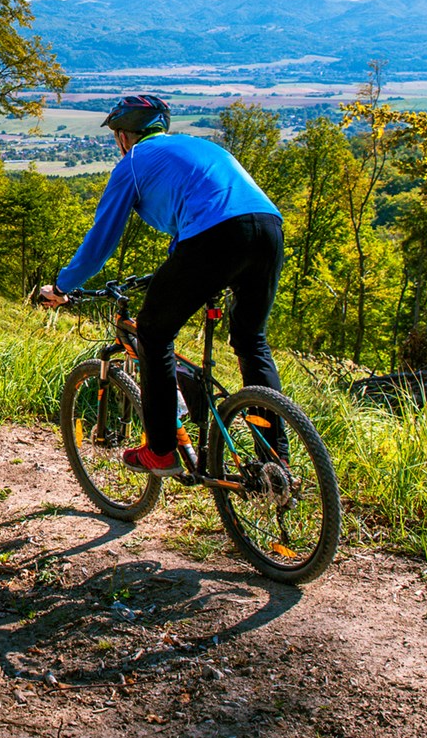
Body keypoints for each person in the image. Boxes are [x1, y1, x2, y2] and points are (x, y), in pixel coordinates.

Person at [35, 94, 284, 476]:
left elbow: (101, 240)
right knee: (251, 340)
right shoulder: (200, 146)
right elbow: (198, 216)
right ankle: (275, 459)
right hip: (268, 228)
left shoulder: (132, 163)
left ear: (124, 136)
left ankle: (161, 449)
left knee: (152, 332)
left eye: (117, 135)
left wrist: (64, 285)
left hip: (215, 237)